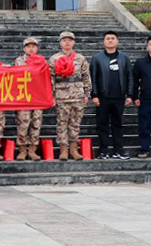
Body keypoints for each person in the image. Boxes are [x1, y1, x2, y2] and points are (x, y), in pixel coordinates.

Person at [49, 31, 91, 161]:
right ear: (60, 43)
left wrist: (87, 93)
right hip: (61, 95)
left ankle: (73, 148)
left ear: (74, 42)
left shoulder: (80, 58)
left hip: (78, 95)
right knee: (62, 123)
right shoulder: (54, 59)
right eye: (64, 40)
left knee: (75, 123)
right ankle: (63, 149)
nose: (67, 42)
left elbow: (86, 76)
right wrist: (52, 95)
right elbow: (51, 79)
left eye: (69, 40)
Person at [90, 31, 133, 160]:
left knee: (117, 124)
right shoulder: (97, 58)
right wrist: (94, 95)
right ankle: (103, 151)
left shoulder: (124, 58)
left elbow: (130, 77)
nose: (110, 40)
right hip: (102, 98)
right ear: (103, 42)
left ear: (117, 41)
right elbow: (93, 78)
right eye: (107, 38)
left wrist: (130, 94)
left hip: (119, 97)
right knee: (102, 125)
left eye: (113, 38)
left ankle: (118, 150)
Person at [13, 37, 45, 161]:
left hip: (38, 96)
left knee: (36, 123)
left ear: (37, 48)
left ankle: (32, 150)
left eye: (33, 46)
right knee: (23, 123)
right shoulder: (19, 60)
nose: (31, 49)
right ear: (24, 49)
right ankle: (22, 149)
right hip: (23, 96)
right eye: (28, 46)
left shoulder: (42, 61)